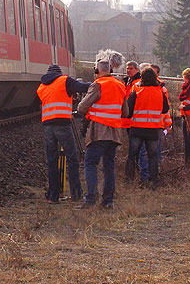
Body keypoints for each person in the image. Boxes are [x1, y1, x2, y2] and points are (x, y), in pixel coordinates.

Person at [75, 54, 128, 209]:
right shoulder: (120, 85)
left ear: (96, 71)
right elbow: (125, 112)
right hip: (115, 132)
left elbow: (81, 108)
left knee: (90, 163)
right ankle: (108, 201)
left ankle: (90, 199)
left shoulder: (98, 85)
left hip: (99, 131)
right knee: (109, 166)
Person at [37, 64, 91, 203]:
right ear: (59, 73)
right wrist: (97, 82)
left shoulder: (41, 87)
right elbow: (83, 87)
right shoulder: (64, 80)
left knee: (52, 160)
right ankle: (76, 194)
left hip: (48, 125)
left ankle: (54, 195)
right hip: (62, 123)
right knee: (72, 158)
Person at [123, 67, 169, 188]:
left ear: (142, 78)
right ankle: (153, 180)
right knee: (152, 156)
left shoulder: (137, 91)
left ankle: (129, 179)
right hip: (153, 129)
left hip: (137, 128)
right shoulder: (160, 92)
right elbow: (165, 109)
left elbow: (129, 110)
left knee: (132, 155)